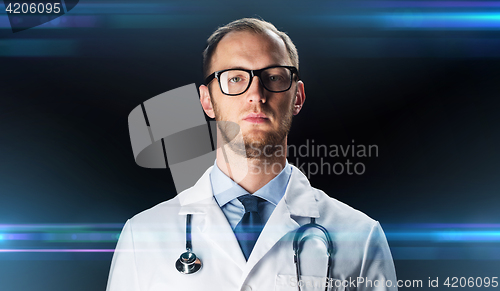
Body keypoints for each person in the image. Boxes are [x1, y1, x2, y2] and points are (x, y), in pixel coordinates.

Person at [106, 18, 397, 291]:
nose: (256, 94)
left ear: (297, 97)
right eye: (235, 78)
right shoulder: (141, 237)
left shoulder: (361, 236)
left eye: (273, 76)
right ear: (207, 101)